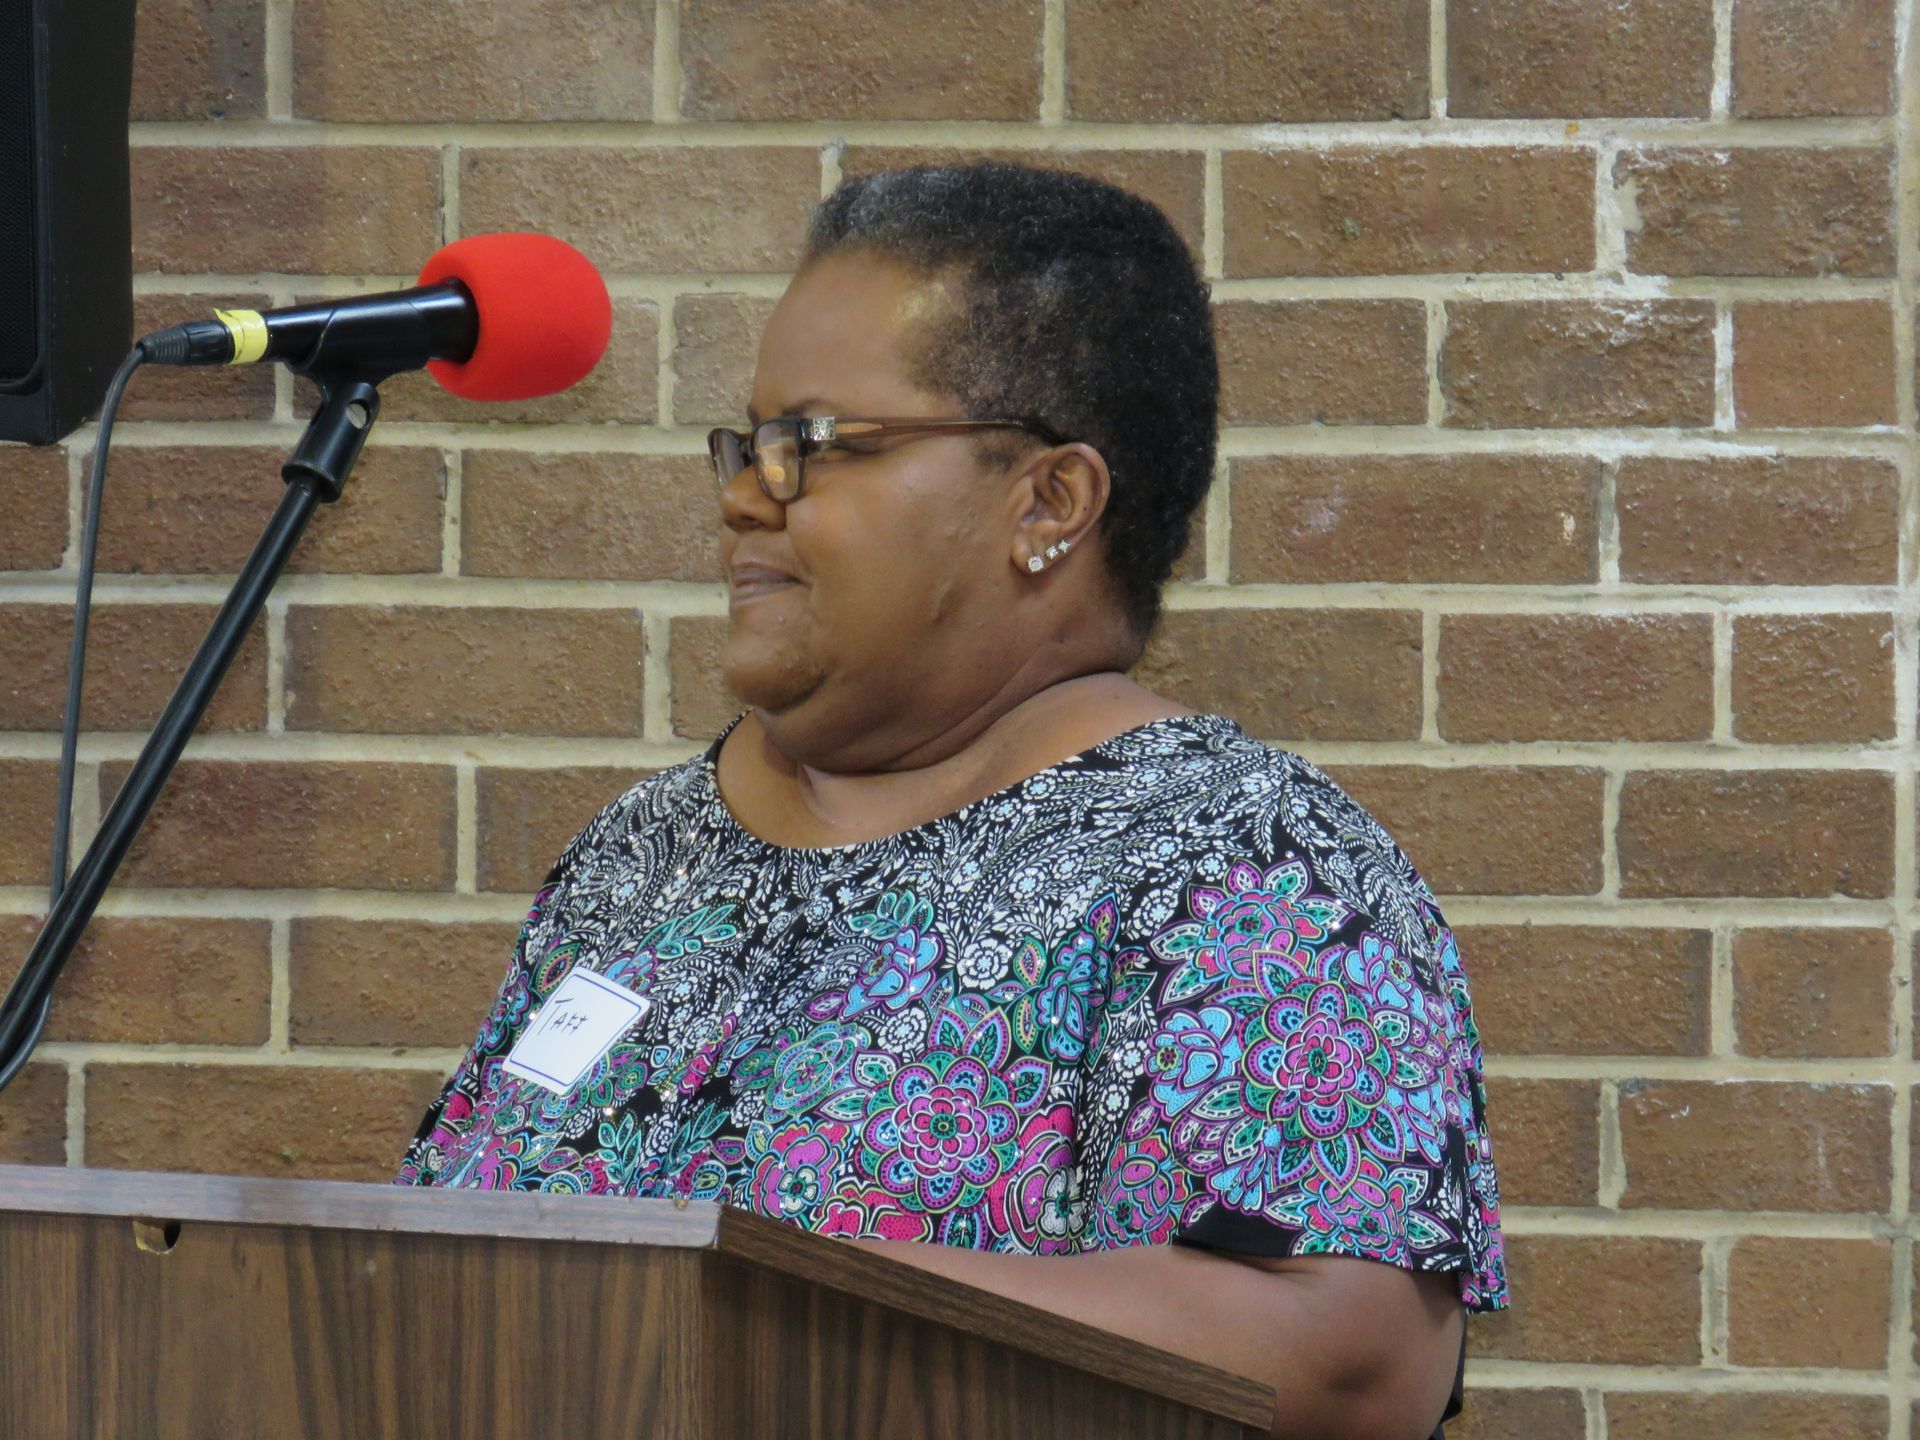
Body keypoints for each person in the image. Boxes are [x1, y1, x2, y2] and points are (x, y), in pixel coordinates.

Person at [393, 160, 1509, 1440]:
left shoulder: (1251, 865)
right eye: (748, 442)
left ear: (1049, 502)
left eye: (815, 444)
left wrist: (720, 1310)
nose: (746, 494)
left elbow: (1343, 1359)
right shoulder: (644, 857)